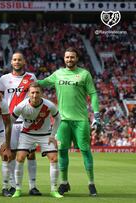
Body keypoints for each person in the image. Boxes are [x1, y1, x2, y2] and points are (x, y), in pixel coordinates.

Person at [38, 47, 101, 196]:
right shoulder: (58, 74)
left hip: (81, 120)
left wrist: (96, 115)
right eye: (67, 57)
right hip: (63, 121)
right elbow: (42, 83)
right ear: (64, 58)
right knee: (62, 151)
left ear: (77, 58)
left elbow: (93, 94)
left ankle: (91, 183)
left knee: (85, 150)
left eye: (72, 57)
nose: (69, 59)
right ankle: (64, 183)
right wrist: (25, 80)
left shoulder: (84, 74)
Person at [0, 52, 41, 196]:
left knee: (31, 154)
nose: (17, 62)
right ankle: (13, 185)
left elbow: (36, 97)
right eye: (14, 59)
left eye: (19, 59)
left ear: (24, 62)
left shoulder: (31, 77)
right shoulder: (4, 79)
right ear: (11, 62)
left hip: (28, 121)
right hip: (12, 121)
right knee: (12, 154)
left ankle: (32, 186)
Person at [11, 82, 63, 198]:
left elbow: (58, 119)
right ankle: (18, 189)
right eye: (32, 93)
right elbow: (10, 120)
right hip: (27, 134)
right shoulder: (21, 106)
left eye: (37, 92)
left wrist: (53, 135)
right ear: (29, 94)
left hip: (45, 135)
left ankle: (54, 190)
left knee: (54, 158)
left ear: (42, 93)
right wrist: (7, 136)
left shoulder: (49, 105)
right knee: (20, 158)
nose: (35, 95)